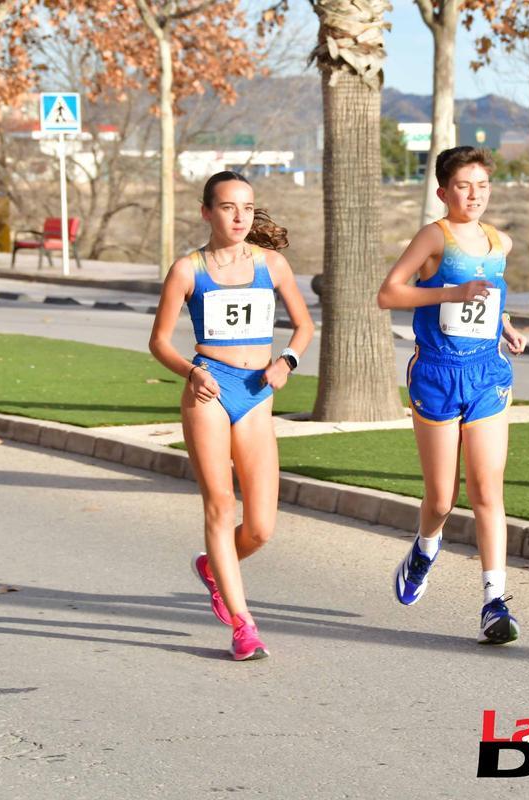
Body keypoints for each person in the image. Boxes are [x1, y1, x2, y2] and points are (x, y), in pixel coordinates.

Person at [149, 171, 314, 660]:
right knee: (221, 506)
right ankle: (244, 626)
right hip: (210, 390)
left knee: (261, 527)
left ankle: (214, 569)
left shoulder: (272, 264)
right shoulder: (188, 269)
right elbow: (159, 341)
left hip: (257, 393)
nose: (239, 216)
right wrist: (189, 371)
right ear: (207, 212)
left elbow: (304, 326)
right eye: (227, 207)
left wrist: (288, 361)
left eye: (246, 207)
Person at [377, 146, 528, 644]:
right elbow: (389, 293)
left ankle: (494, 602)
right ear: (443, 192)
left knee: (487, 489)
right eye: (464, 185)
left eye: (482, 185)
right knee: (442, 497)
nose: (475, 194)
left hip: (487, 375)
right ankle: (426, 545)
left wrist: (505, 327)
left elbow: (491, 296)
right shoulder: (432, 237)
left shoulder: (499, 242)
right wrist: (448, 293)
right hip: (437, 375)